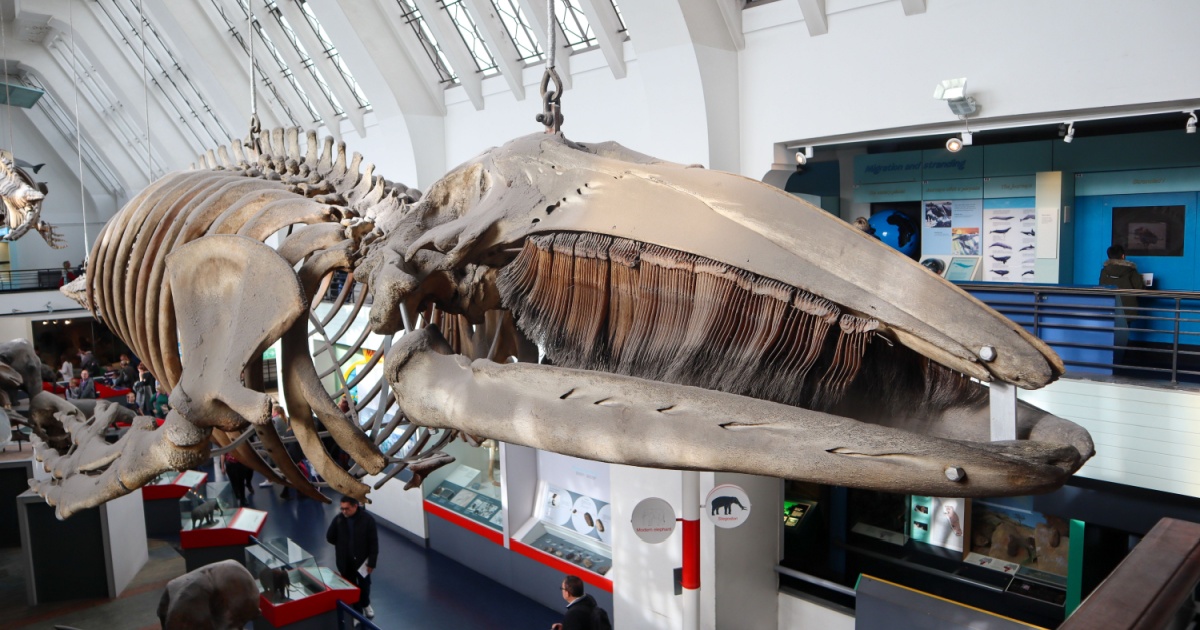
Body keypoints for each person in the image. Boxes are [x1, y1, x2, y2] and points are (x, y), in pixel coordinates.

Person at [326, 496, 378, 619]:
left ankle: (365, 604)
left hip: (362, 563)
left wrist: (372, 562)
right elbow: (330, 537)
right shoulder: (338, 519)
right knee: (350, 587)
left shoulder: (368, 520)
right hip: (345, 562)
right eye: (342, 508)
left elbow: (373, 543)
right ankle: (357, 613)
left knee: (364, 585)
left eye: (347, 509)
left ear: (355, 506)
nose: (344, 511)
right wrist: (342, 546)